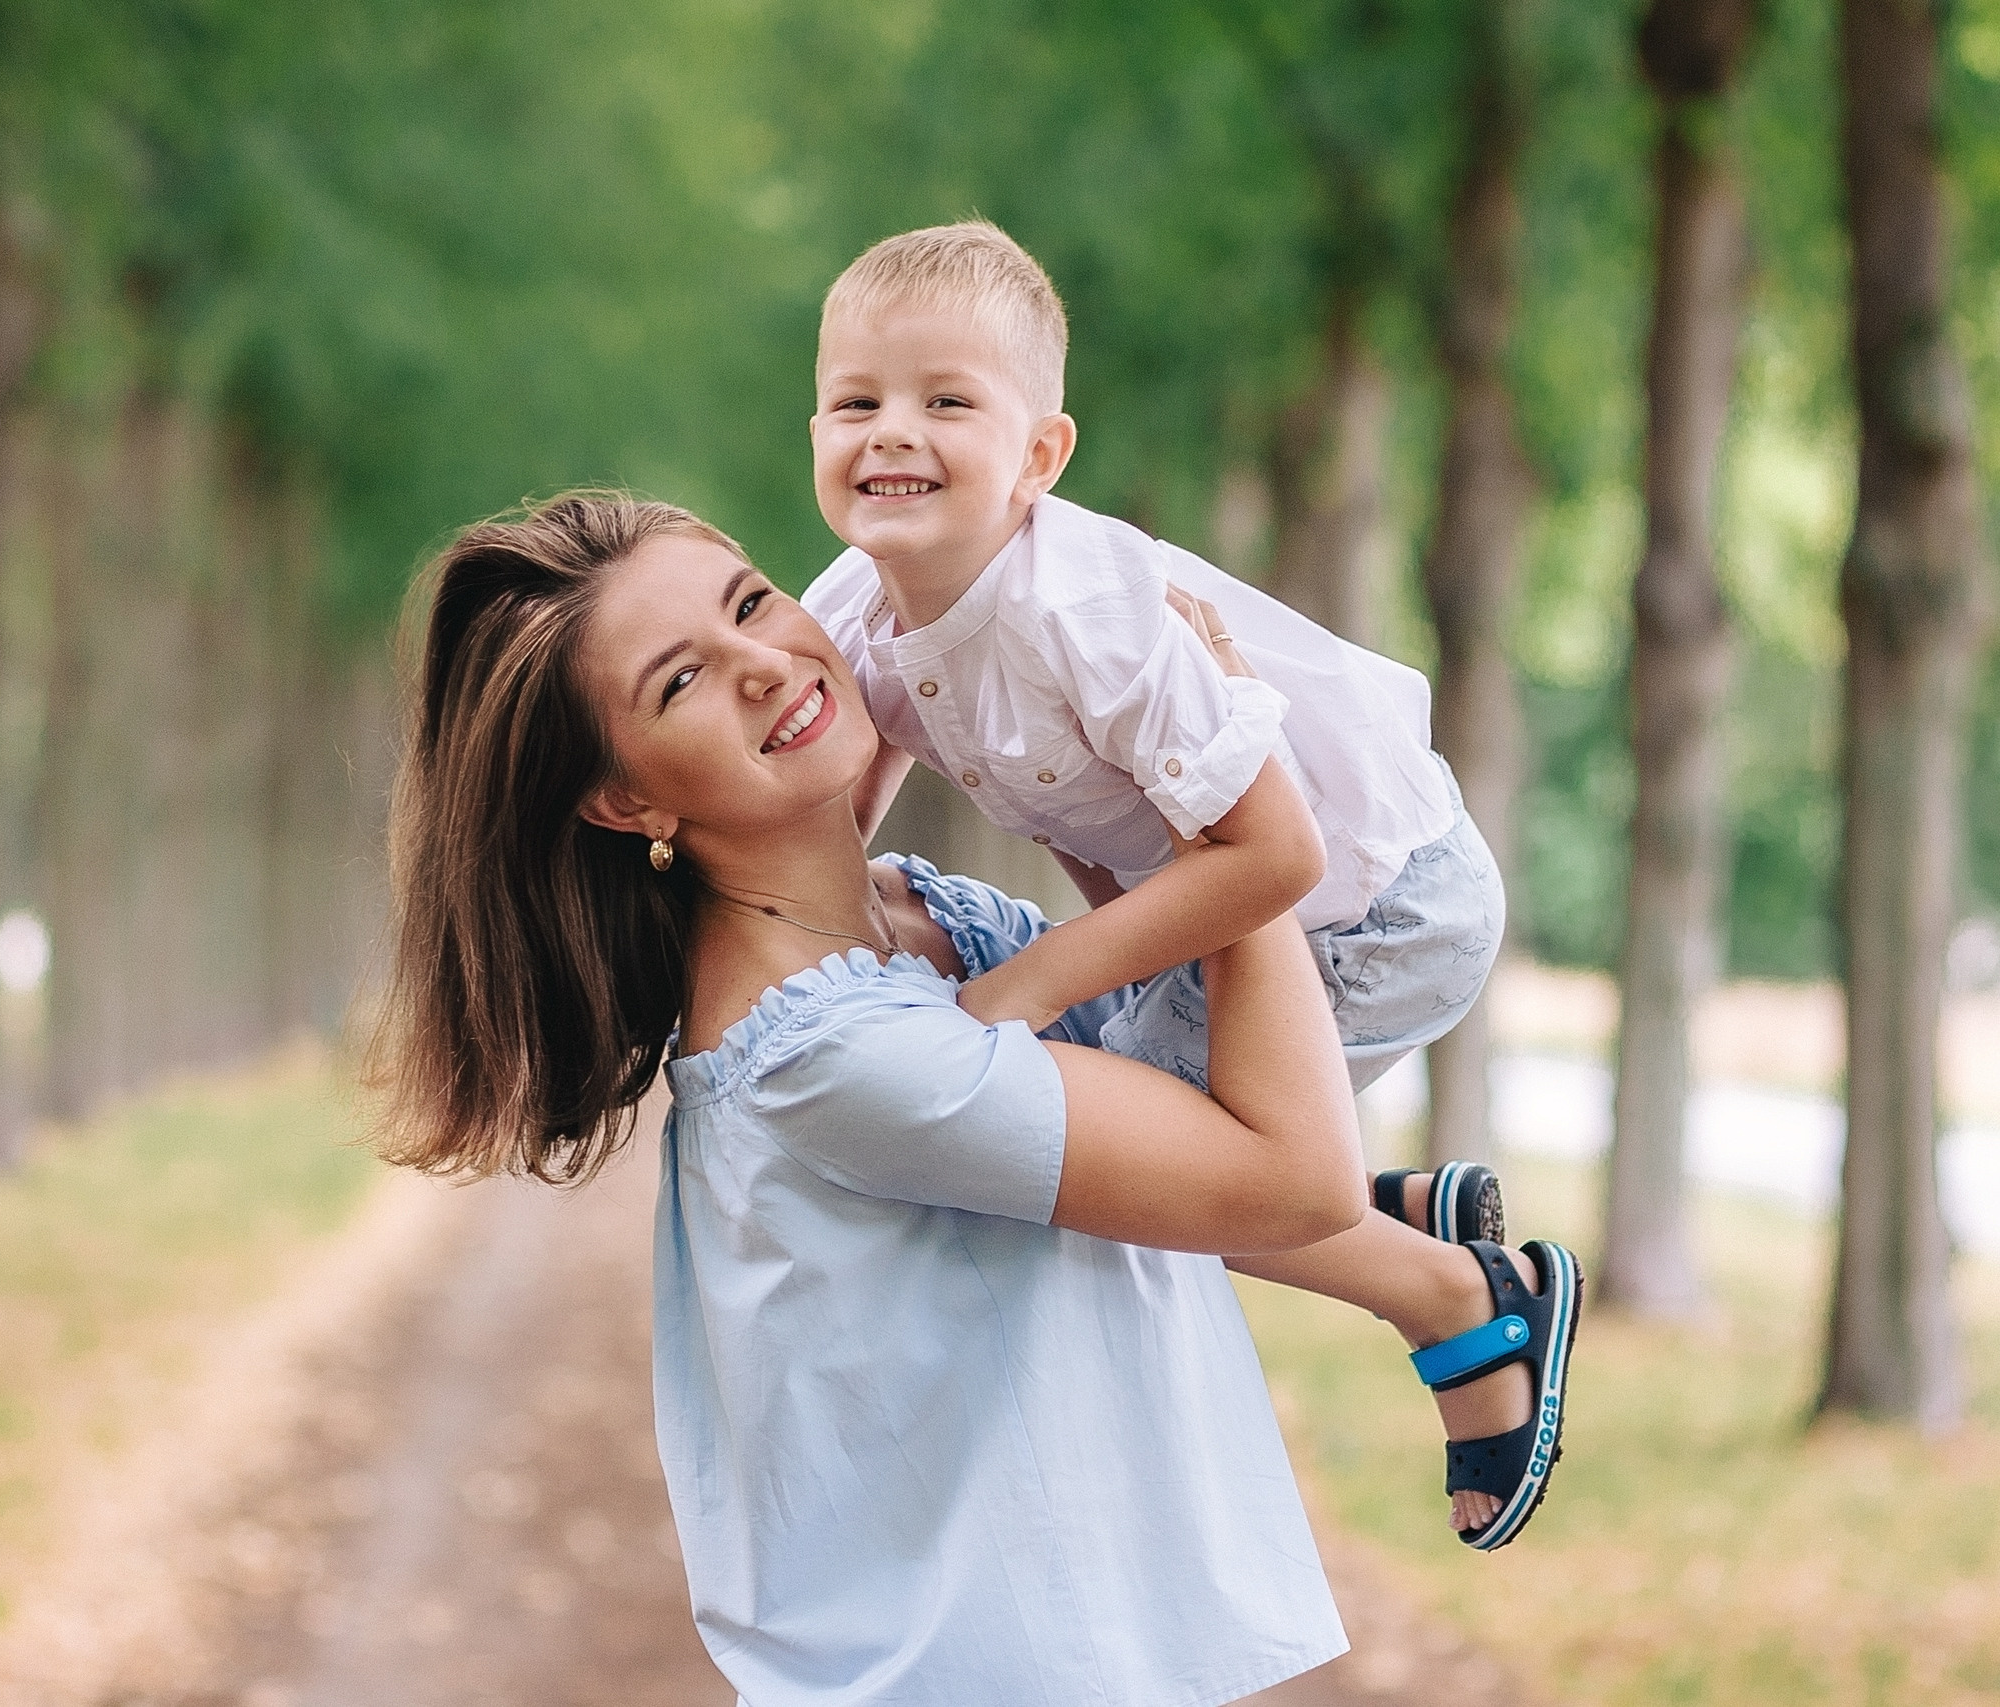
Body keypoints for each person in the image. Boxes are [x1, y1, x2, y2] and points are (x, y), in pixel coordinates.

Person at [369, 492, 1578, 1703]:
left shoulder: (925, 923)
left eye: (749, 602)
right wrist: (1222, 786)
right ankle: (1441, 1279)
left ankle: (1436, 1276)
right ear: (624, 800)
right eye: (679, 681)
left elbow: (1187, 1090)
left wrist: (1144, 788)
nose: (762, 663)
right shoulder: (823, 1055)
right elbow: (1291, 1178)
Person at [799, 222, 1578, 1548]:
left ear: (1040, 456)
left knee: (1157, 1179)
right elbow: (827, 816)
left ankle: (1460, 1295)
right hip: (1217, 913)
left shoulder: (1089, 613)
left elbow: (1281, 855)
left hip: (1377, 900)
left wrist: (1027, 982)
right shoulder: (864, 603)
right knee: (1131, 1158)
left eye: (947, 402)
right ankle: (1398, 1204)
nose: (892, 432)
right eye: (855, 401)